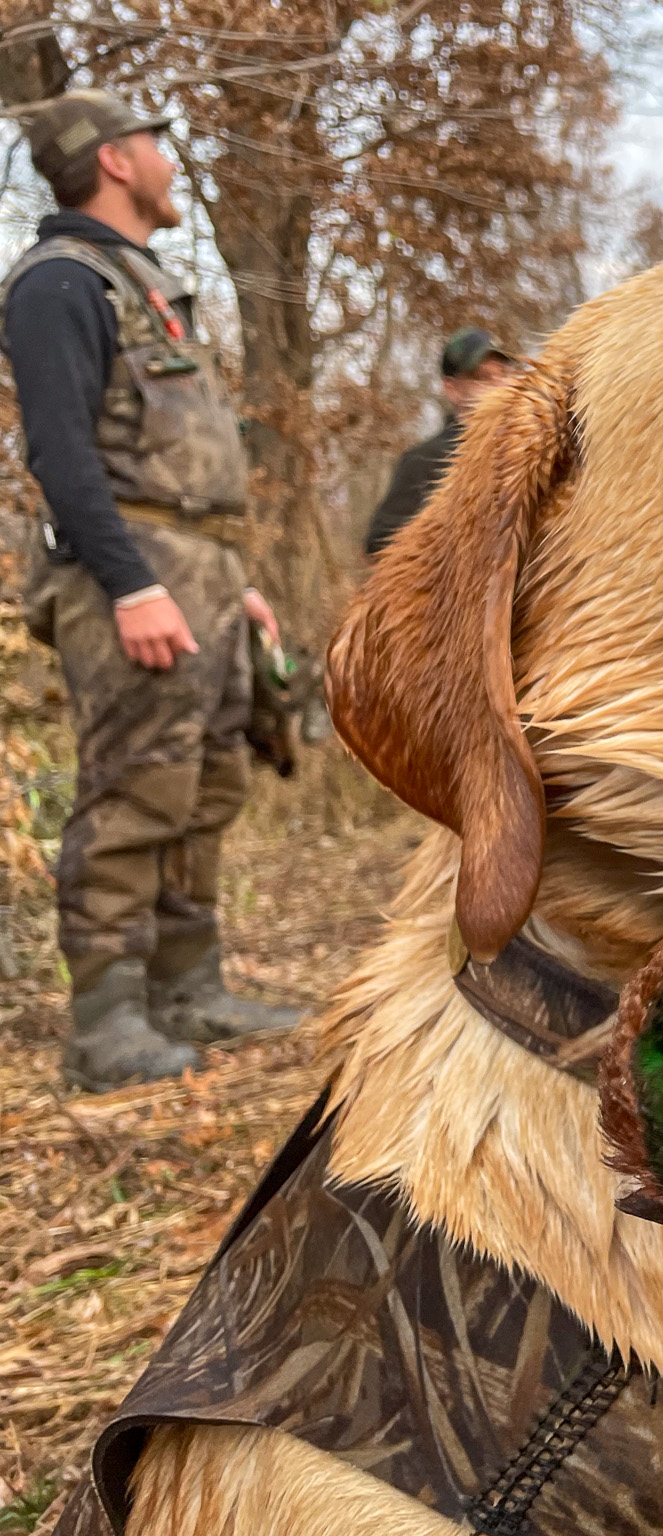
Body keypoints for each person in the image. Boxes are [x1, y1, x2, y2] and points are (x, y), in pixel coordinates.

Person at [3, 90, 299, 1092]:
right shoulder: (59, 282)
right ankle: (104, 1026)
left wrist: (238, 584)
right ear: (115, 161)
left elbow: (184, 463)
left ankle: (188, 988)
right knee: (135, 786)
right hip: (130, 569)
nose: (170, 165)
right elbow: (62, 453)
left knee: (207, 779)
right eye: (156, 146)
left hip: (201, 572)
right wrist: (131, 587)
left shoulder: (147, 284)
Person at [362, 327, 514, 557]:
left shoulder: (527, 452)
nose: (500, 386)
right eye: (483, 377)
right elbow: (380, 544)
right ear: (452, 390)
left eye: (503, 375)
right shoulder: (425, 460)